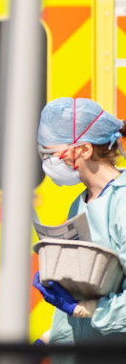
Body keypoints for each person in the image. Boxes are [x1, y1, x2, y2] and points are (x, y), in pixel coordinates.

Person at [34, 97, 126, 343]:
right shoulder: (80, 204)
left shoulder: (122, 202)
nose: (48, 164)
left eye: (51, 154)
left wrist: (91, 310)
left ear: (84, 150)